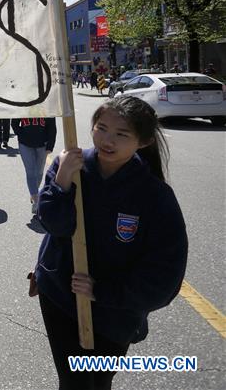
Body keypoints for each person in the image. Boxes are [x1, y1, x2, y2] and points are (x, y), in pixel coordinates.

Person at [34, 96, 188, 390]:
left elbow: (165, 275)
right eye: (101, 128)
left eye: (122, 134)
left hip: (116, 313)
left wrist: (101, 291)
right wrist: (62, 180)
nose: (107, 139)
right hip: (60, 296)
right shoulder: (70, 166)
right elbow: (55, 225)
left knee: (99, 380)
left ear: (142, 142)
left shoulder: (155, 195)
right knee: (75, 381)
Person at [13, 117, 57, 215]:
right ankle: (36, 201)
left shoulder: (46, 104)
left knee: (39, 172)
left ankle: (33, 193)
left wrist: (50, 145)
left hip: (42, 143)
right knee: (30, 172)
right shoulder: (23, 105)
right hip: (25, 143)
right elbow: (14, 123)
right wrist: (21, 134)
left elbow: (52, 127)